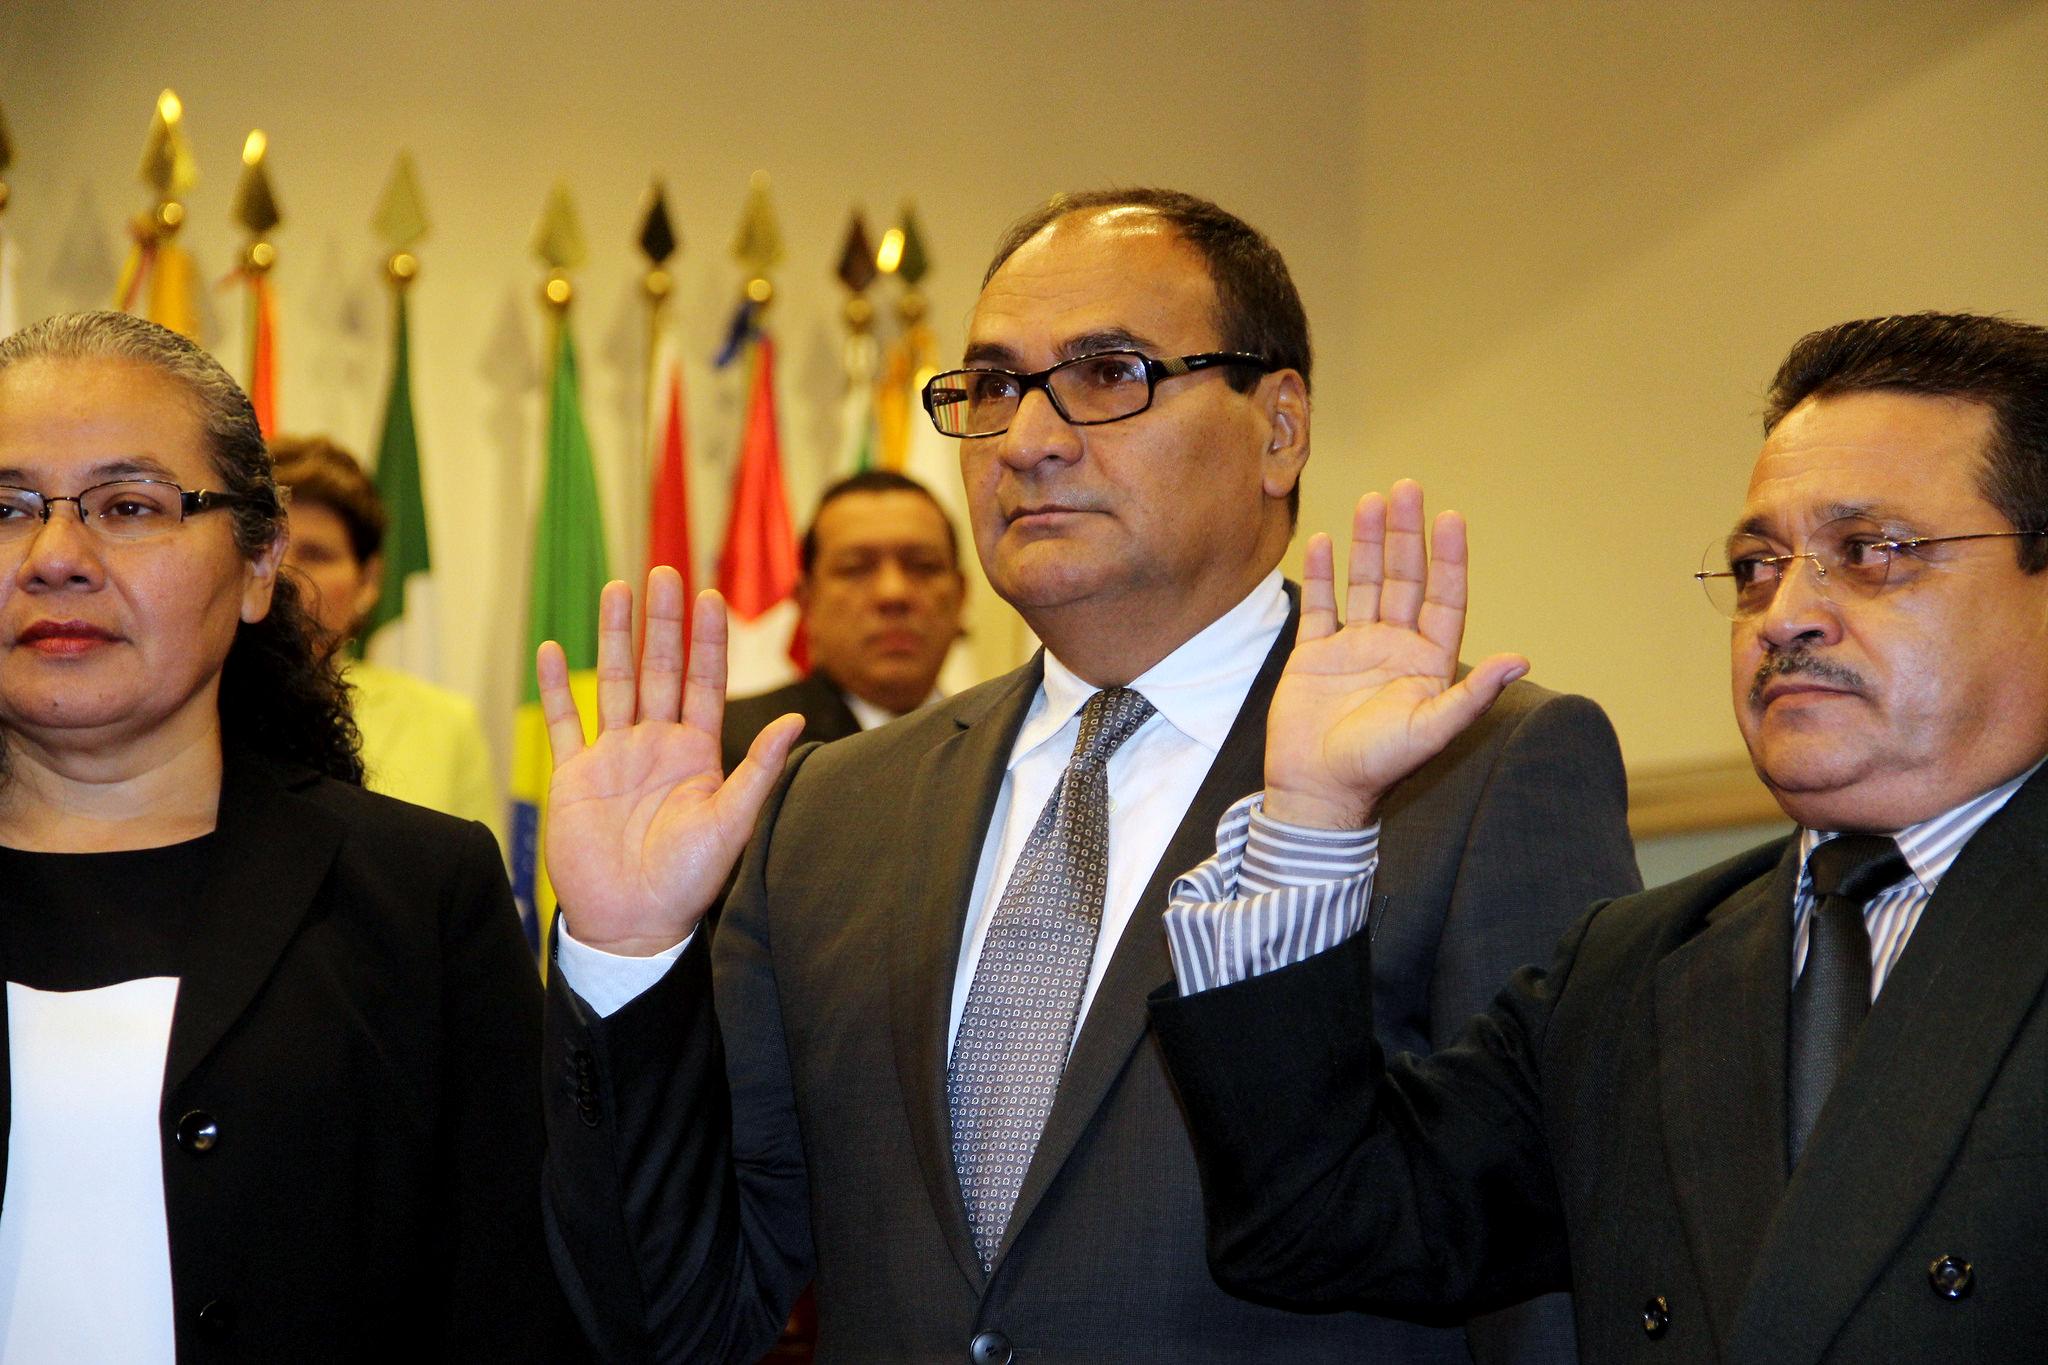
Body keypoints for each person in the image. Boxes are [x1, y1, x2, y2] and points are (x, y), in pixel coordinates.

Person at [537, 189, 1640, 1363]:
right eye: (994, 387)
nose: (1028, 440)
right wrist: (623, 957)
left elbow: (1556, 1276)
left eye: (1108, 373)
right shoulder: (829, 811)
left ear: (1280, 427)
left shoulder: (1476, 768)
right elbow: (668, 1317)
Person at [1148, 312, 2048, 1363]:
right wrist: (1312, 809)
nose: (1784, 613)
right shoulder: (1630, 972)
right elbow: (1319, 1229)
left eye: (1873, 552)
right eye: (1756, 564)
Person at [0, 312, 573, 1359]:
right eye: (6, 507)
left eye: (128, 506)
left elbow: (512, 1302)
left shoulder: (414, 892)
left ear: (261, 565)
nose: (54, 556)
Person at [269, 434, 501, 841]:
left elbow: (473, 898)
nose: (284, 575)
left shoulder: (446, 726)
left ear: (369, 580)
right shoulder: (187, 715)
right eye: (268, 549)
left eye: (316, 555)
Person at [720, 468, 966, 775]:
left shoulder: (1005, 742)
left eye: (923, 566)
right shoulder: (737, 747)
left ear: (961, 596)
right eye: (855, 569)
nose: (893, 593)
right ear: (807, 601)